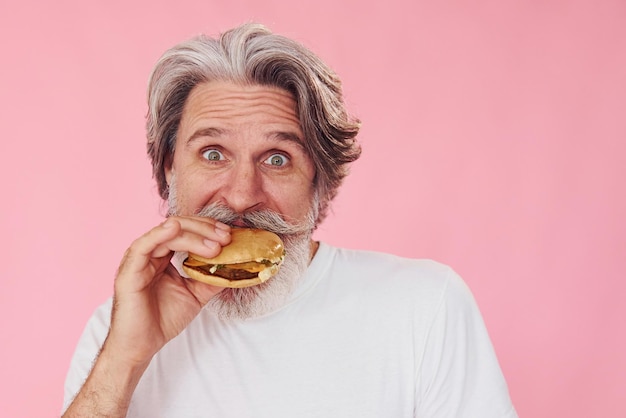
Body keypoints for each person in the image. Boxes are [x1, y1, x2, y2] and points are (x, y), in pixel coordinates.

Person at [61, 23, 517, 417]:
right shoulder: (117, 332)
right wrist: (124, 360)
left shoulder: (424, 307)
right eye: (213, 153)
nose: (241, 195)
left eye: (277, 158)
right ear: (170, 169)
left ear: (320, 182)